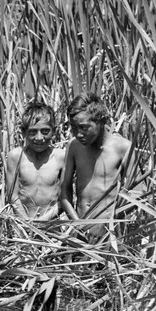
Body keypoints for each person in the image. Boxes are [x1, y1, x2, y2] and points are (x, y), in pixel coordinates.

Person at [60, 92, 132, 243]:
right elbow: (64, 190)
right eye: (73, 128)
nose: (78, 134)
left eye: (84, 127)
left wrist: (107, 224)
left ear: (102, 120)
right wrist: (76, 223)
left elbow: (138, 193)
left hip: (108, 234)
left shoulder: (122, 148)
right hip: (80, 231)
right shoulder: (74, 146)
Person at [5, 101, 65, 222]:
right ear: (23, 132)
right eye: (32, 132)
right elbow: (13, 195)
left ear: (54, 130)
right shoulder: (16, 156)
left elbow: (64, 198)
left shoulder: (61, 156)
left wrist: (44, 220)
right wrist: (27, 222)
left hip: (52, 224)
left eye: (45, 131)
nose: (39, 138)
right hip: (22, 224)